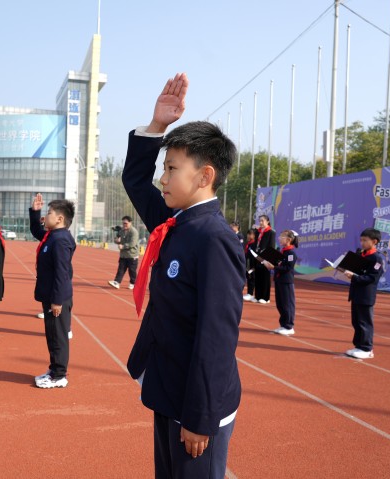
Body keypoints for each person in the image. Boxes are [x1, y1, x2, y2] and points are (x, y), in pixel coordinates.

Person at [123, 73, 244, 479]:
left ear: (204, 176)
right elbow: (134, 180)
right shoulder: (175, 221)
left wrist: (200, 417)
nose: (162, 178)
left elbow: (216, 336)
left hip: (195, 406)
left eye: (172, 168)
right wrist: (157, 126)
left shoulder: (214, 239)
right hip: (168, 389)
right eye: (164, 167)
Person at [29, 193, 76, 389]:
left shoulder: (61, 240)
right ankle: (54, 369)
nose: (45, 216)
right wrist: (35, 211)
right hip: (50, 295)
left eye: (49, 213)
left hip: (57, 297)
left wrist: (57, 300)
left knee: (58, 337)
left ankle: (59, 375)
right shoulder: (52, 236)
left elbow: (62, 273)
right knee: (52, 335)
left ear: (60, 219)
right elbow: (36, 230)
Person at [344, 228, 385, 359]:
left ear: (374, 241)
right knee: (356, 322)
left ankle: (367, 348)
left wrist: (354, 276)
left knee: (365, 322)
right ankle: (359, 346)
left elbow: (372, 278)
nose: (362, 243)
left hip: (366, 295)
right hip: (356, 293)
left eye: (365, 240)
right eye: (361, 240)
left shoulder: (377, 259)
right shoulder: (361, 255)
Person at [268, 230, 299, 335]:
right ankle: (283, 325)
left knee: (287, 304)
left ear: (289, 240)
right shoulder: (282, 252)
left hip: (286, 282)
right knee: (280, 304)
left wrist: (274, 267)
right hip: (279, 280)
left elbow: (288, 268)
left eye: (282, 237)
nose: (279, 239)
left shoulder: (291, 253)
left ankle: (289, 326)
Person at [108, 216, 140, 290]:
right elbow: (117, 239)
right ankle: (117, 282)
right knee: (121, 269)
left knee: (132, 271)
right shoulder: (121, 231)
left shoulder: (134, 232)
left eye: (126, 223)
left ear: (130, 223)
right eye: (123, 223)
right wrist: (117, 240)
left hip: (132, 255)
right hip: (123, 255)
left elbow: (132, 243)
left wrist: (123, 246)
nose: (124, 225)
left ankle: (133, 283)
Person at [253, 215, 276, 304]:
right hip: (257, 256)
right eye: (260, 221)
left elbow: (272, 247)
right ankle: (257, 296)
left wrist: (269, 259)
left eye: (262, 221)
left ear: (267, 221)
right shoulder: (258, 232)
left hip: (266, 257)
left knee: (265, 277)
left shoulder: (271, 232)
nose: (261, 222)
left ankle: (265, 297)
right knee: (258, 276)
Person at [242, 229, 257, 302]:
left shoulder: (254, 244)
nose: (248, 235)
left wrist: (253, 267)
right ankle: (249, 293)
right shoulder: (249, 243)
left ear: (254, 235)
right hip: (248, 264)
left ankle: (250, 293)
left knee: (251, 278)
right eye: (248, 234)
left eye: (250, 234)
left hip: (252, 265)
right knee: (249, 277)